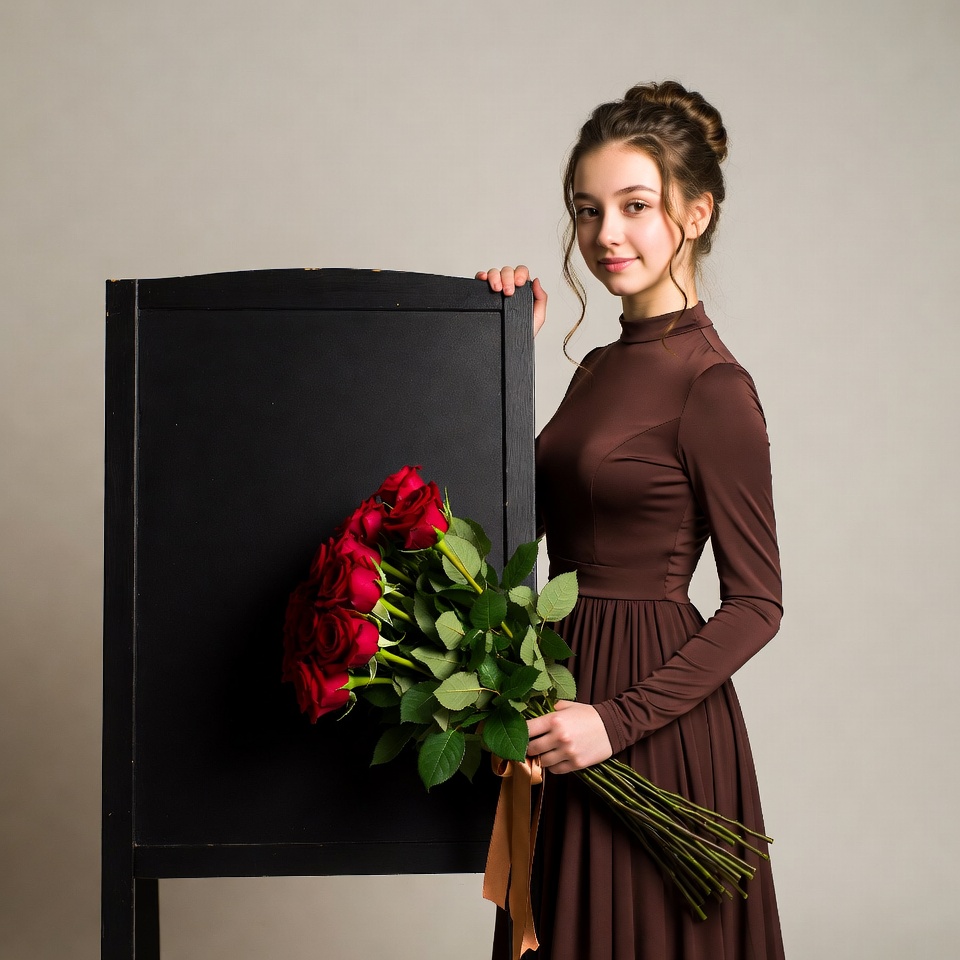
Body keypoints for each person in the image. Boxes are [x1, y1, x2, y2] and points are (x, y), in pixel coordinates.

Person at [478, 80, 785, 960]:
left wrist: (614, 720)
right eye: (586, 209)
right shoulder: (594, 368)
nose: (604, 234)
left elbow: (757, 603)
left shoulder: (713, 387)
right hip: (558, 692)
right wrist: (500, 349)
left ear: (694, 212)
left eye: (635, 206)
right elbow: (513, 522)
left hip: (648, 722)